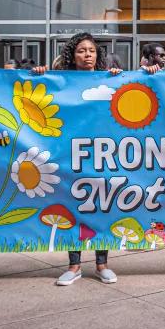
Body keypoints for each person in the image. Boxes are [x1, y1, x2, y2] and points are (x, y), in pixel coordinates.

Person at [32, 32, 122, 286]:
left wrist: (118, 78)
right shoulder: (60, 81)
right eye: (82, 50)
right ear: (73, 55)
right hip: (70, 157)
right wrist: (41, 74)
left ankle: (102, 264)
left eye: (91, 51)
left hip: (102, 155)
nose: (87, 55)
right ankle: (74, 266)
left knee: (101, 209)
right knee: (73, 208)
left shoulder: (109, 79)